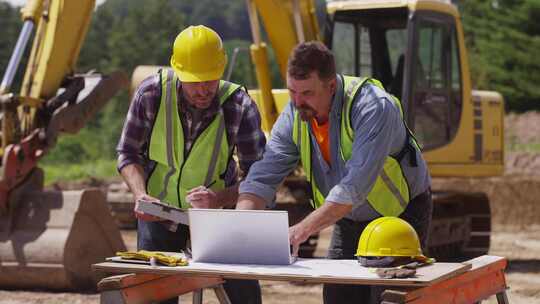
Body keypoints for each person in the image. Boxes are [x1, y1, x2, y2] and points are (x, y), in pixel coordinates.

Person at [236, 41, 432, 304]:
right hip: (349, 218)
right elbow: (264, 174)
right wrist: (237, 228)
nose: (296, 102)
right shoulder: (295, 112)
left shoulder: (373, 106)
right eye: (292, 91)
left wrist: (301, 230)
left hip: (400, 215)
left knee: (390, 297)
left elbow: (354, 187)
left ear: (331, 86)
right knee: (339, 296)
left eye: (306, 92)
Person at [117, 25, 265, 304]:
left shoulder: (239, 105)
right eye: (194, 81)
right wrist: (140, 194)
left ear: (221, 70)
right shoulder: (151, 94)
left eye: (210, 80)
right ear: (178, 72)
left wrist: (219, 198)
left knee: (244, 297)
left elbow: (259, 178)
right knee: (154, 298)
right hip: (159, 218)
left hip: (217, 221)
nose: (203, 89)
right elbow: (127, 153)